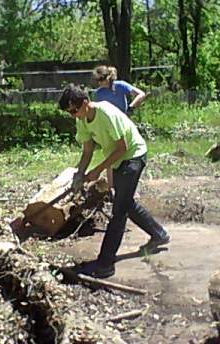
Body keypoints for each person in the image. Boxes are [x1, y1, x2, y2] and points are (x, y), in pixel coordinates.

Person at [59, 84, 170, 279]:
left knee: (119, 212)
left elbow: (123, 147)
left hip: (133, 155)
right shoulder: (82, 119)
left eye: (75, 110)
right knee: (125, 202)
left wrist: (98, 170)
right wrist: (80, 174)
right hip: (117, 158)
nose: (73, 115)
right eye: (70, 113)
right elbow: (87, 151)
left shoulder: (106, 113)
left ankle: (105, 264)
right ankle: (159, 234)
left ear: (85, 102)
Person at [93, 65, 147, 189]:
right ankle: (112, 188)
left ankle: (127, 183)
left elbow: (141, 94)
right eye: (97, 80)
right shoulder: (99, 93)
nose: (99, 83)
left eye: (101, 79)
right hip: (109, 127)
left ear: (108, 77)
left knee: (127, 152)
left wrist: (131, 108)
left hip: (123, 125)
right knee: (110, 154)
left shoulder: (121, 86)